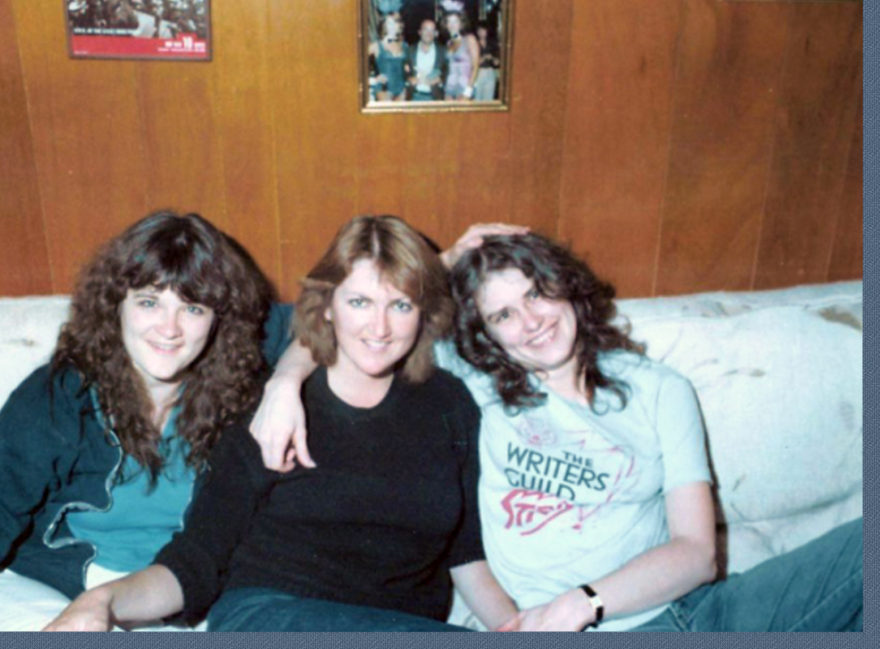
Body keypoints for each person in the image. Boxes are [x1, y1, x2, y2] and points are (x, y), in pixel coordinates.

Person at [250, 225, 863, 632]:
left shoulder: (659, 390)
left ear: (569, 289)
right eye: (504, 315)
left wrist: (581, 604)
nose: (532, 322)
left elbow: (697, 552)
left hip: (679, 618)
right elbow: (350, 316)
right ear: (484, 334)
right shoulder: (479, 382)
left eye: (539, 293)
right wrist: (284, 384)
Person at [44, 215, 518, 631]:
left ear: (423, 312)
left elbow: (466, 557)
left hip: (401, 626)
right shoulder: (270, 406)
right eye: (360, 303)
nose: (380, 328)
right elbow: (198, 559)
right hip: (269, 617)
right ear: (327, 306)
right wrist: (101, 602)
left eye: (400, 305)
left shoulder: (449, 404)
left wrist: (522, 629)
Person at [0, 211, 292, 631]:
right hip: (50, 590)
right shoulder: (60, 394)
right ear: (116, 304)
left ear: (220, 319)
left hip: (176, 599)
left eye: (193, 308)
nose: (170, 328)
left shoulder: (239, 396)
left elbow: (325, 318)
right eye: (149, 302)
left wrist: (288, 380)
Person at [367, 14, 411, 102]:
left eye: (395, 23)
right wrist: (372, 80)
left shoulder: (405, 45)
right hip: (384, 89)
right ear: (384, 26)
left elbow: (408, 68)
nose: (394, 26)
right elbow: (355, 62)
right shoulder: (376, 46)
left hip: (402, 89)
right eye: (390, 23)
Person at [440, 8, 480, 101]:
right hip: (449, 89)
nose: (452, 25)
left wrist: (468, 92)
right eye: (449, 21)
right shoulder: (449, 43)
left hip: (464, 88)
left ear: (461, 23)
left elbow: (476, 66)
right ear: (446, 24)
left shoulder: (469, 39)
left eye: (455, 21)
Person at [405, 18, 447, 101]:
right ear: (419, 32)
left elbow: (449, 71)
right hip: (413, 96)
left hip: (435, 97)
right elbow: (401, 70)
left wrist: (440, 79)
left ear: (436, 34)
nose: (429, 33)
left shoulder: (443, 51)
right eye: (425, 29)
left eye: (432, 30)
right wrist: (409, 78)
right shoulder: (409, 50)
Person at [472, 26, 500, 101]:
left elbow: (497, 63)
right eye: (480, 31)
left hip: (490, 72)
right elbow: (474, 62)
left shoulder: (492, 44)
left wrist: (492, 58)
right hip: (478, 72)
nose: (482, 33)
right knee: (477, 97)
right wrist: (484, 57)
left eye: (483, 30)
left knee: (488, 98)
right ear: (477, 32)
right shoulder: (474, 44)